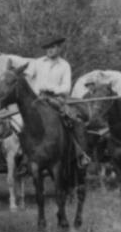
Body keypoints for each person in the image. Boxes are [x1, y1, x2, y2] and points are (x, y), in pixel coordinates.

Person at [27, 36, 89, 166]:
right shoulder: (37, 63)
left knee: (74, 120)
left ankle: (80, 153)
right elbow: (27, 79)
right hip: (37, 98)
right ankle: (22, 155)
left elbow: (66, 87)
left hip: (57, 98)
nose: (50, 50)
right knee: (20, 120)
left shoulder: (64, 65)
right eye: (48, 47)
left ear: (59, 48)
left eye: (53, 47)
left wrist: (51, 89)